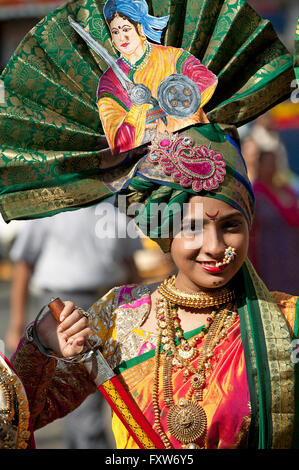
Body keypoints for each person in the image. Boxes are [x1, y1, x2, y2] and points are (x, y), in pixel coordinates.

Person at [0, 0, 298, 451]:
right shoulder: (119, 320)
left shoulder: (289, 324)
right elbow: (20, 420)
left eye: (231, 225)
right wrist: (42, 349)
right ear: (163, 227)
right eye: (193, 227)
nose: (215, 247)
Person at [6, 202, 142, 449]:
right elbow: (23, 267)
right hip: (61, 310)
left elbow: (131, 268)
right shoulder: (46, 213)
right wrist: (16, 324)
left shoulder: (111, 213)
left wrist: (141, 309)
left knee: (109, 389)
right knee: (77, 399)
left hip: (109, 305)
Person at [97, 0, 218, 153]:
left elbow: (207, 80)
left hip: (195, 140)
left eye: (126, 29)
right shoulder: (109, 81)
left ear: (139, 28)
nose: (122, 38)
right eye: (115, 32)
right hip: (147, 156)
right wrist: (137, 114)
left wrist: (169, 106)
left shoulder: (172, 56)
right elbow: (118, 142)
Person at [248, 149, 299, 294]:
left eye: (274, 163)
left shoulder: (287, 191)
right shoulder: (255, 194)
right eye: (268, 163)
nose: (272, 167)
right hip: (268, 257)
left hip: (291, 254)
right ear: (259, 165)